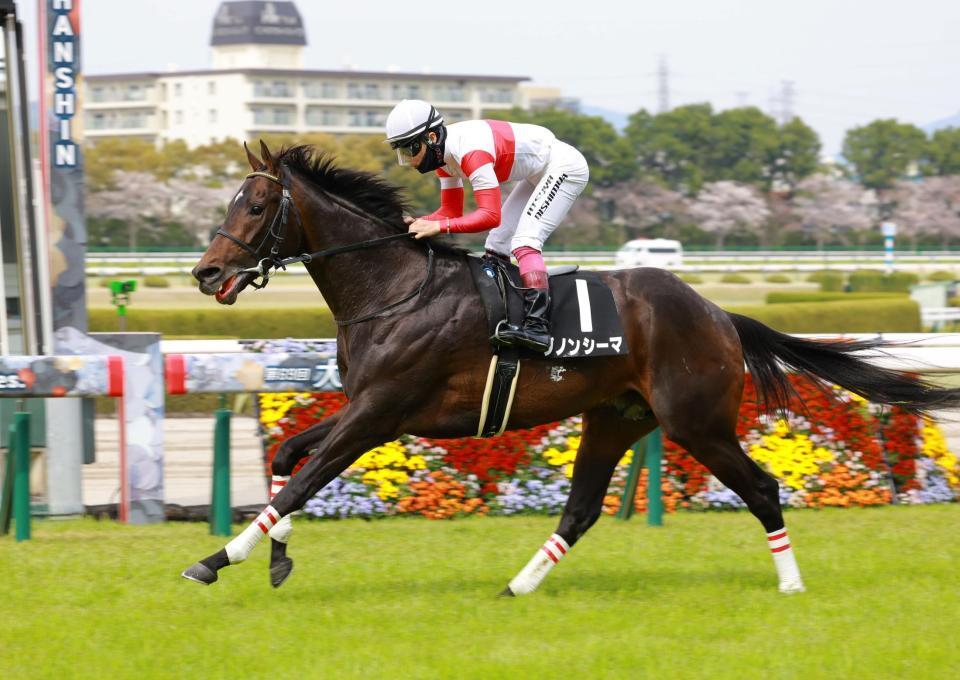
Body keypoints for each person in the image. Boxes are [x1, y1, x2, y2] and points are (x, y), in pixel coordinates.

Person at [385, 99, 589, 353]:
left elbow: (490, 216)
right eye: (402, 152)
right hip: (538, 172)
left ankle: (537, 328)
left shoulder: (471, 153)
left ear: (432, 136)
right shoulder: (442, 156)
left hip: (564, 167)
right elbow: (450, 211)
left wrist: (439, 227)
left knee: (525, 242)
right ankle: (507, 312)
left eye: (411, 149)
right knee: (496, 245)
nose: (410, 161)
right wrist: (422, 222)